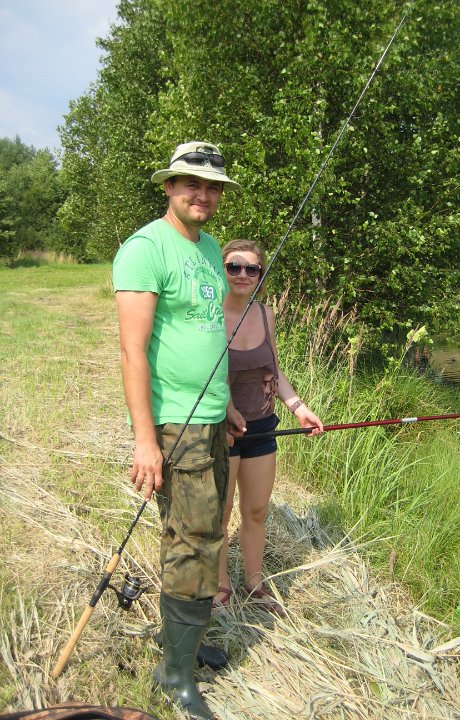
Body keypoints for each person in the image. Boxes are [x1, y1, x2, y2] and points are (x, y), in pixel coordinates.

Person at [112, 141, 245, 720]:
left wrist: (227, 403)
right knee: (191, 541)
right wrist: (145, 439)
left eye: (213, 187)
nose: (203, 195)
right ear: (169, 186)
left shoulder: (210, 247)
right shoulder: (145, 249)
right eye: (192, 183)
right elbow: (132, 351)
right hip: (174, 423)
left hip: (213, 416)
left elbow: (207, 332)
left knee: (209, 529)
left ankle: (185, 647)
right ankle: (174, 676)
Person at [213, 239, 324, 616]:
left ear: (261, 275)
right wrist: (225, 410)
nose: (243, 275)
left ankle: (254, 582)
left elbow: (273, 370)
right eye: (234, 267)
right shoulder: (209, 316)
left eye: (252, 269)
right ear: (222, 270)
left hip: (263, 426)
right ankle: (220, 584)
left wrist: (298, 407)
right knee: (221, 511)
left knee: (257, 510)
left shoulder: (265, 315)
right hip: (222, 430)